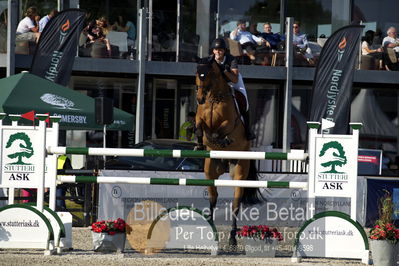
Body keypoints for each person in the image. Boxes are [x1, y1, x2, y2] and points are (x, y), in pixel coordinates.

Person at [208, 38, 256, 140]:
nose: (218, 52)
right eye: (216, 49)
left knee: (244, 102)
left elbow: (234, 79)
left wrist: (225, 71)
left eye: (220, 49)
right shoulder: (210, 59)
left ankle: (248, 130)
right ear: (213, 51)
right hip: (219, 84)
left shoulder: (231, 59)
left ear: (224, 50)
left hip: (233, 82)